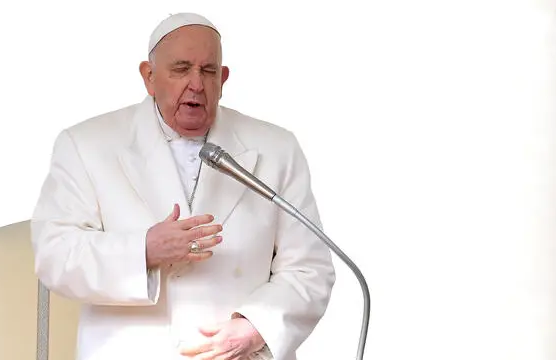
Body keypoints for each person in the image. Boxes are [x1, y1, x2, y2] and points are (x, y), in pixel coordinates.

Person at [30, 12, 335, 360]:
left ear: (222, 79)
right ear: (149, 77)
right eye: (180, 69)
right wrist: (144, 249)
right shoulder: (85, 144)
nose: (196, 84)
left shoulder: (277, 147)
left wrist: (257, 327)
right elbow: (54, 255)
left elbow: (310, 267)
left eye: (207, 71)